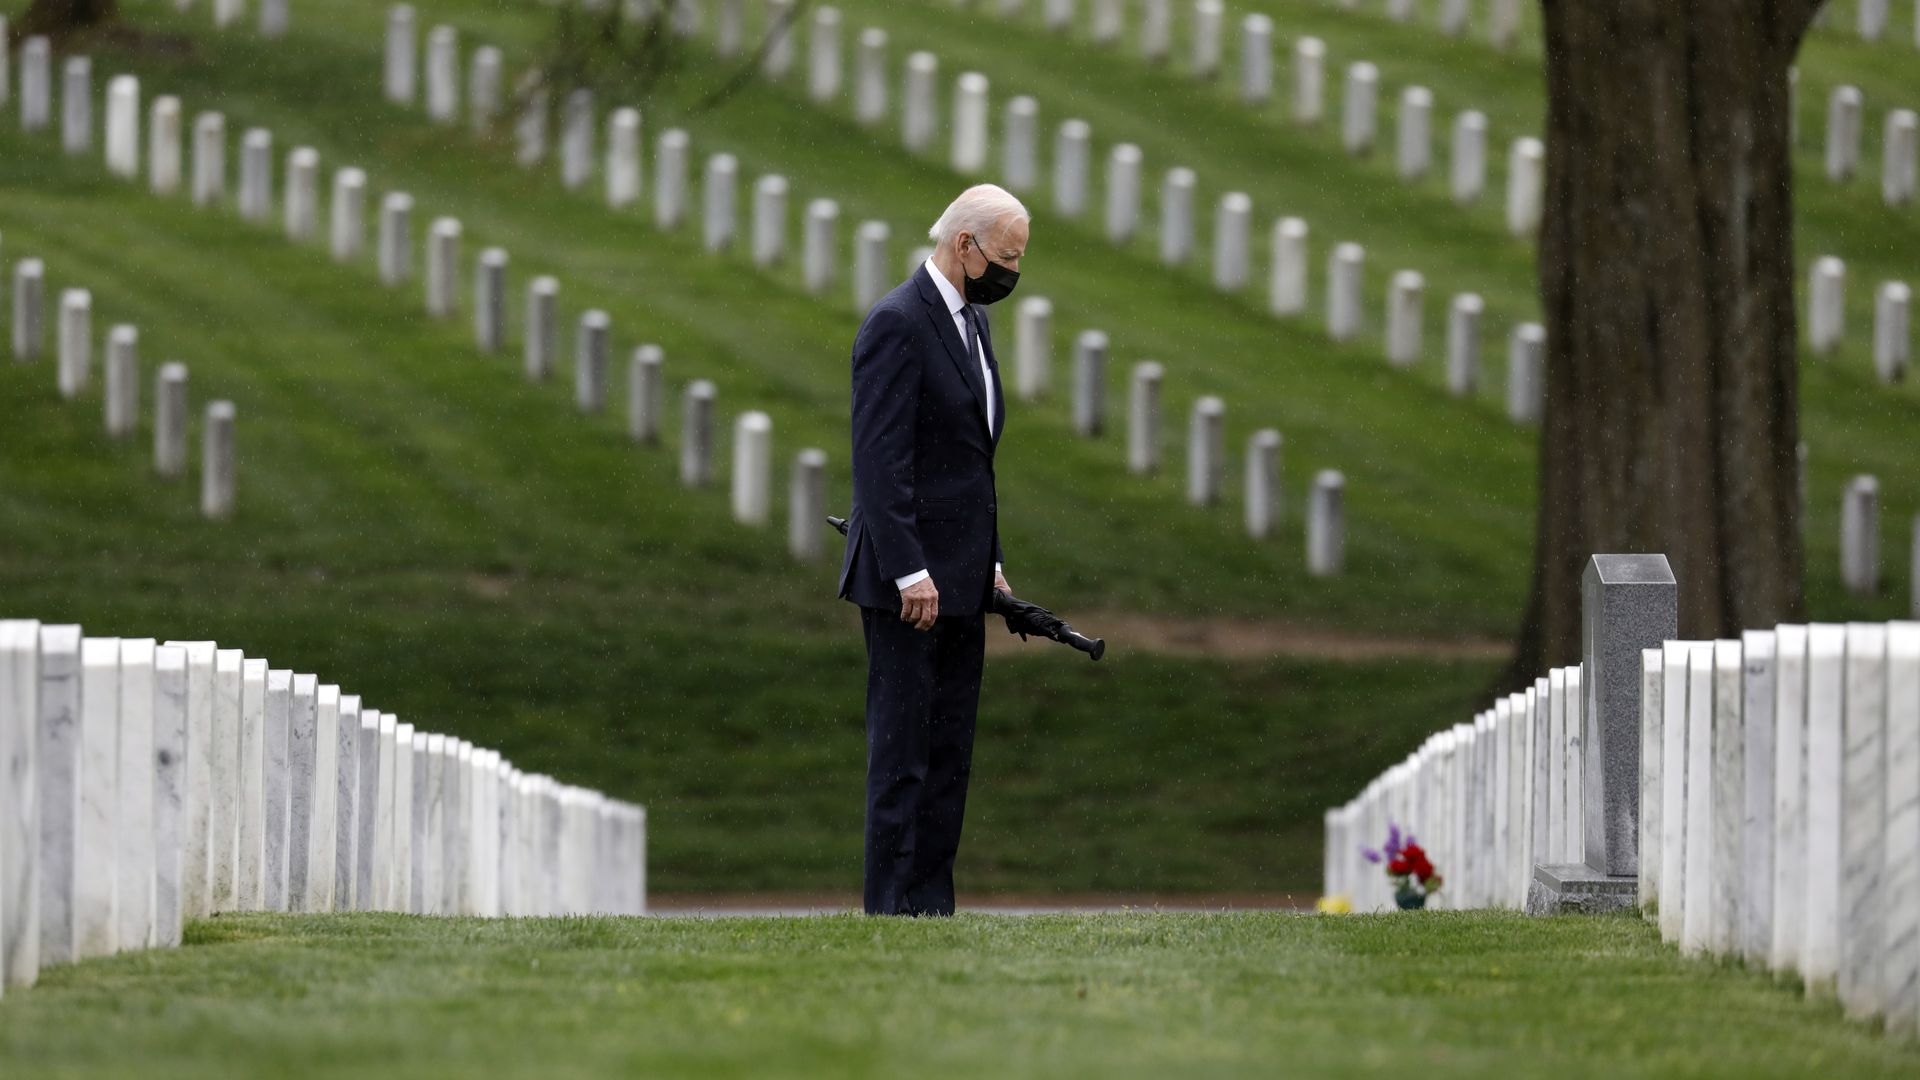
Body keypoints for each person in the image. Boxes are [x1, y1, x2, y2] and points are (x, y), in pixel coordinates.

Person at [838, 184, 1030, 916]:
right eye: (1006, 258)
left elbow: (968, 463)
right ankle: (891, 908)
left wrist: (989, 563)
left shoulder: (971, 324)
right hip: (908, 585)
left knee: (950, 755)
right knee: (904, 757)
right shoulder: (897, 323)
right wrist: (910, 568)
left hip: (961, 579)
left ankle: (931, 909)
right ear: (965, 246)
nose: (1011, 273)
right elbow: (881, 461)